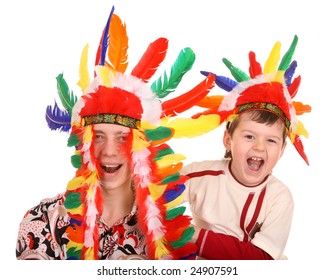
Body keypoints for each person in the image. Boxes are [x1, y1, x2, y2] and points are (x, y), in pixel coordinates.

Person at [16, 6, 219, 260]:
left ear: (143, 146)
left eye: (123, 137)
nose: (109, 151)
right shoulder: (41, 222)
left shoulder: (172, 237)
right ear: (82, 143)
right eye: (98, 136)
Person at [183, 35, 311, 260]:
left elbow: (261, 258)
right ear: (227, 140)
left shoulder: (279, 197)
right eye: (249, 136)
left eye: (271, 140)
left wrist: (193, 236)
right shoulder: (199, 175)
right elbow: (152, 196)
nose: (260, 147)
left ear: (281, 151)